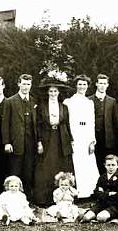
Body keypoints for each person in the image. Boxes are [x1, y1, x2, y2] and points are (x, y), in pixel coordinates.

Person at [33, 76, 74, 207]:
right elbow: (38, 125)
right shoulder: (41, 107)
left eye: (55, 91)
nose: (53, 94)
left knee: (60, 166)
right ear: (47, 93)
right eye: (50, 91)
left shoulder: (64, 107)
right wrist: (39, 142)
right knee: (46, 167)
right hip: (46, 138)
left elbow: (67, 124)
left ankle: (61, 198)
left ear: (58, 93)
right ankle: (44, 199)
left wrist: (71, 140)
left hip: (61, 138)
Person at [2, 74, 38, 201]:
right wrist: (6, 142)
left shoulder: (34, 101)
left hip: (30, 143)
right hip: (15, 142)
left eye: (28, 84)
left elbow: (36, 124)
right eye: (23, 84)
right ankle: (11, 199)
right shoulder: (10, 101)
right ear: (18, 84)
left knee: (29, 172)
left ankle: (27, 200)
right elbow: (5, 123)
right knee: (15, 171)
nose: (25, 87)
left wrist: (38, 142)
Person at [63, 74, 99, 198]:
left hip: (86, 135)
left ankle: (89, 192)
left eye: (84, 84)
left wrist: (92, 141)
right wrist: (70, 137)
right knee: (76, 162)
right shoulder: (69, 102)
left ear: (88, 86)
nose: (82, 87)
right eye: (80, 84)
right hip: (74, 134)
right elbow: (66, 122)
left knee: (87, 162)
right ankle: (76, 192)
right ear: (76, 86)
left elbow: (92, 122)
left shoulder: (89, 103)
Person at [88, 74, 118, 174]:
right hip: (92, 138)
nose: (102, 85)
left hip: (107, 138)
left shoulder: (112, 101)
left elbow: (116, 121)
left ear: (107, 85)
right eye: (100, 83)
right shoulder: (88, 100)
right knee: (93, 163)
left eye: (104, 83)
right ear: (96, 84)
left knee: (106, 163)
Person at [79, 154, 118, 223]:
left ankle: (101, 215)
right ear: (105, 165)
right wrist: (109, 193)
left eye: (113, 165)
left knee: (101, 218)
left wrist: (103, 194)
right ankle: (91, 213)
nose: (111, 167)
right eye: (108, 165)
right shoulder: (102, 178)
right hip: (101, 204)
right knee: (86, 218)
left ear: (117, 165)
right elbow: (96, 193)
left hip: (115, 206)